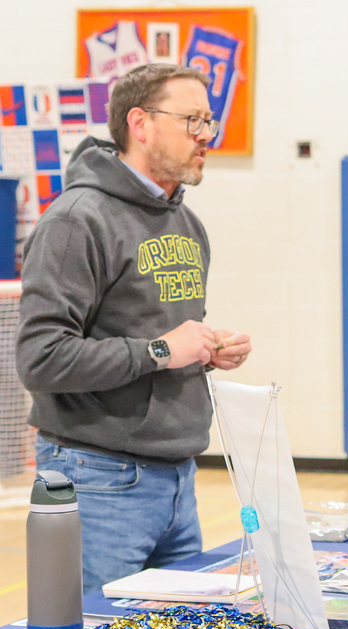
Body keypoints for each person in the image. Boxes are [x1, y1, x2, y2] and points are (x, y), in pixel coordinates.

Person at [16, 63, 251, 595]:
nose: (205, 136)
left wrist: (209, 348)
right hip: (98, 478)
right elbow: (40, 358)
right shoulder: (77, 220)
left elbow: (158, 335)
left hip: (178, 478)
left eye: (208, 121)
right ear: (140, 124)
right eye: (192, 120)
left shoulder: (188, 224)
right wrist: (165, 349)